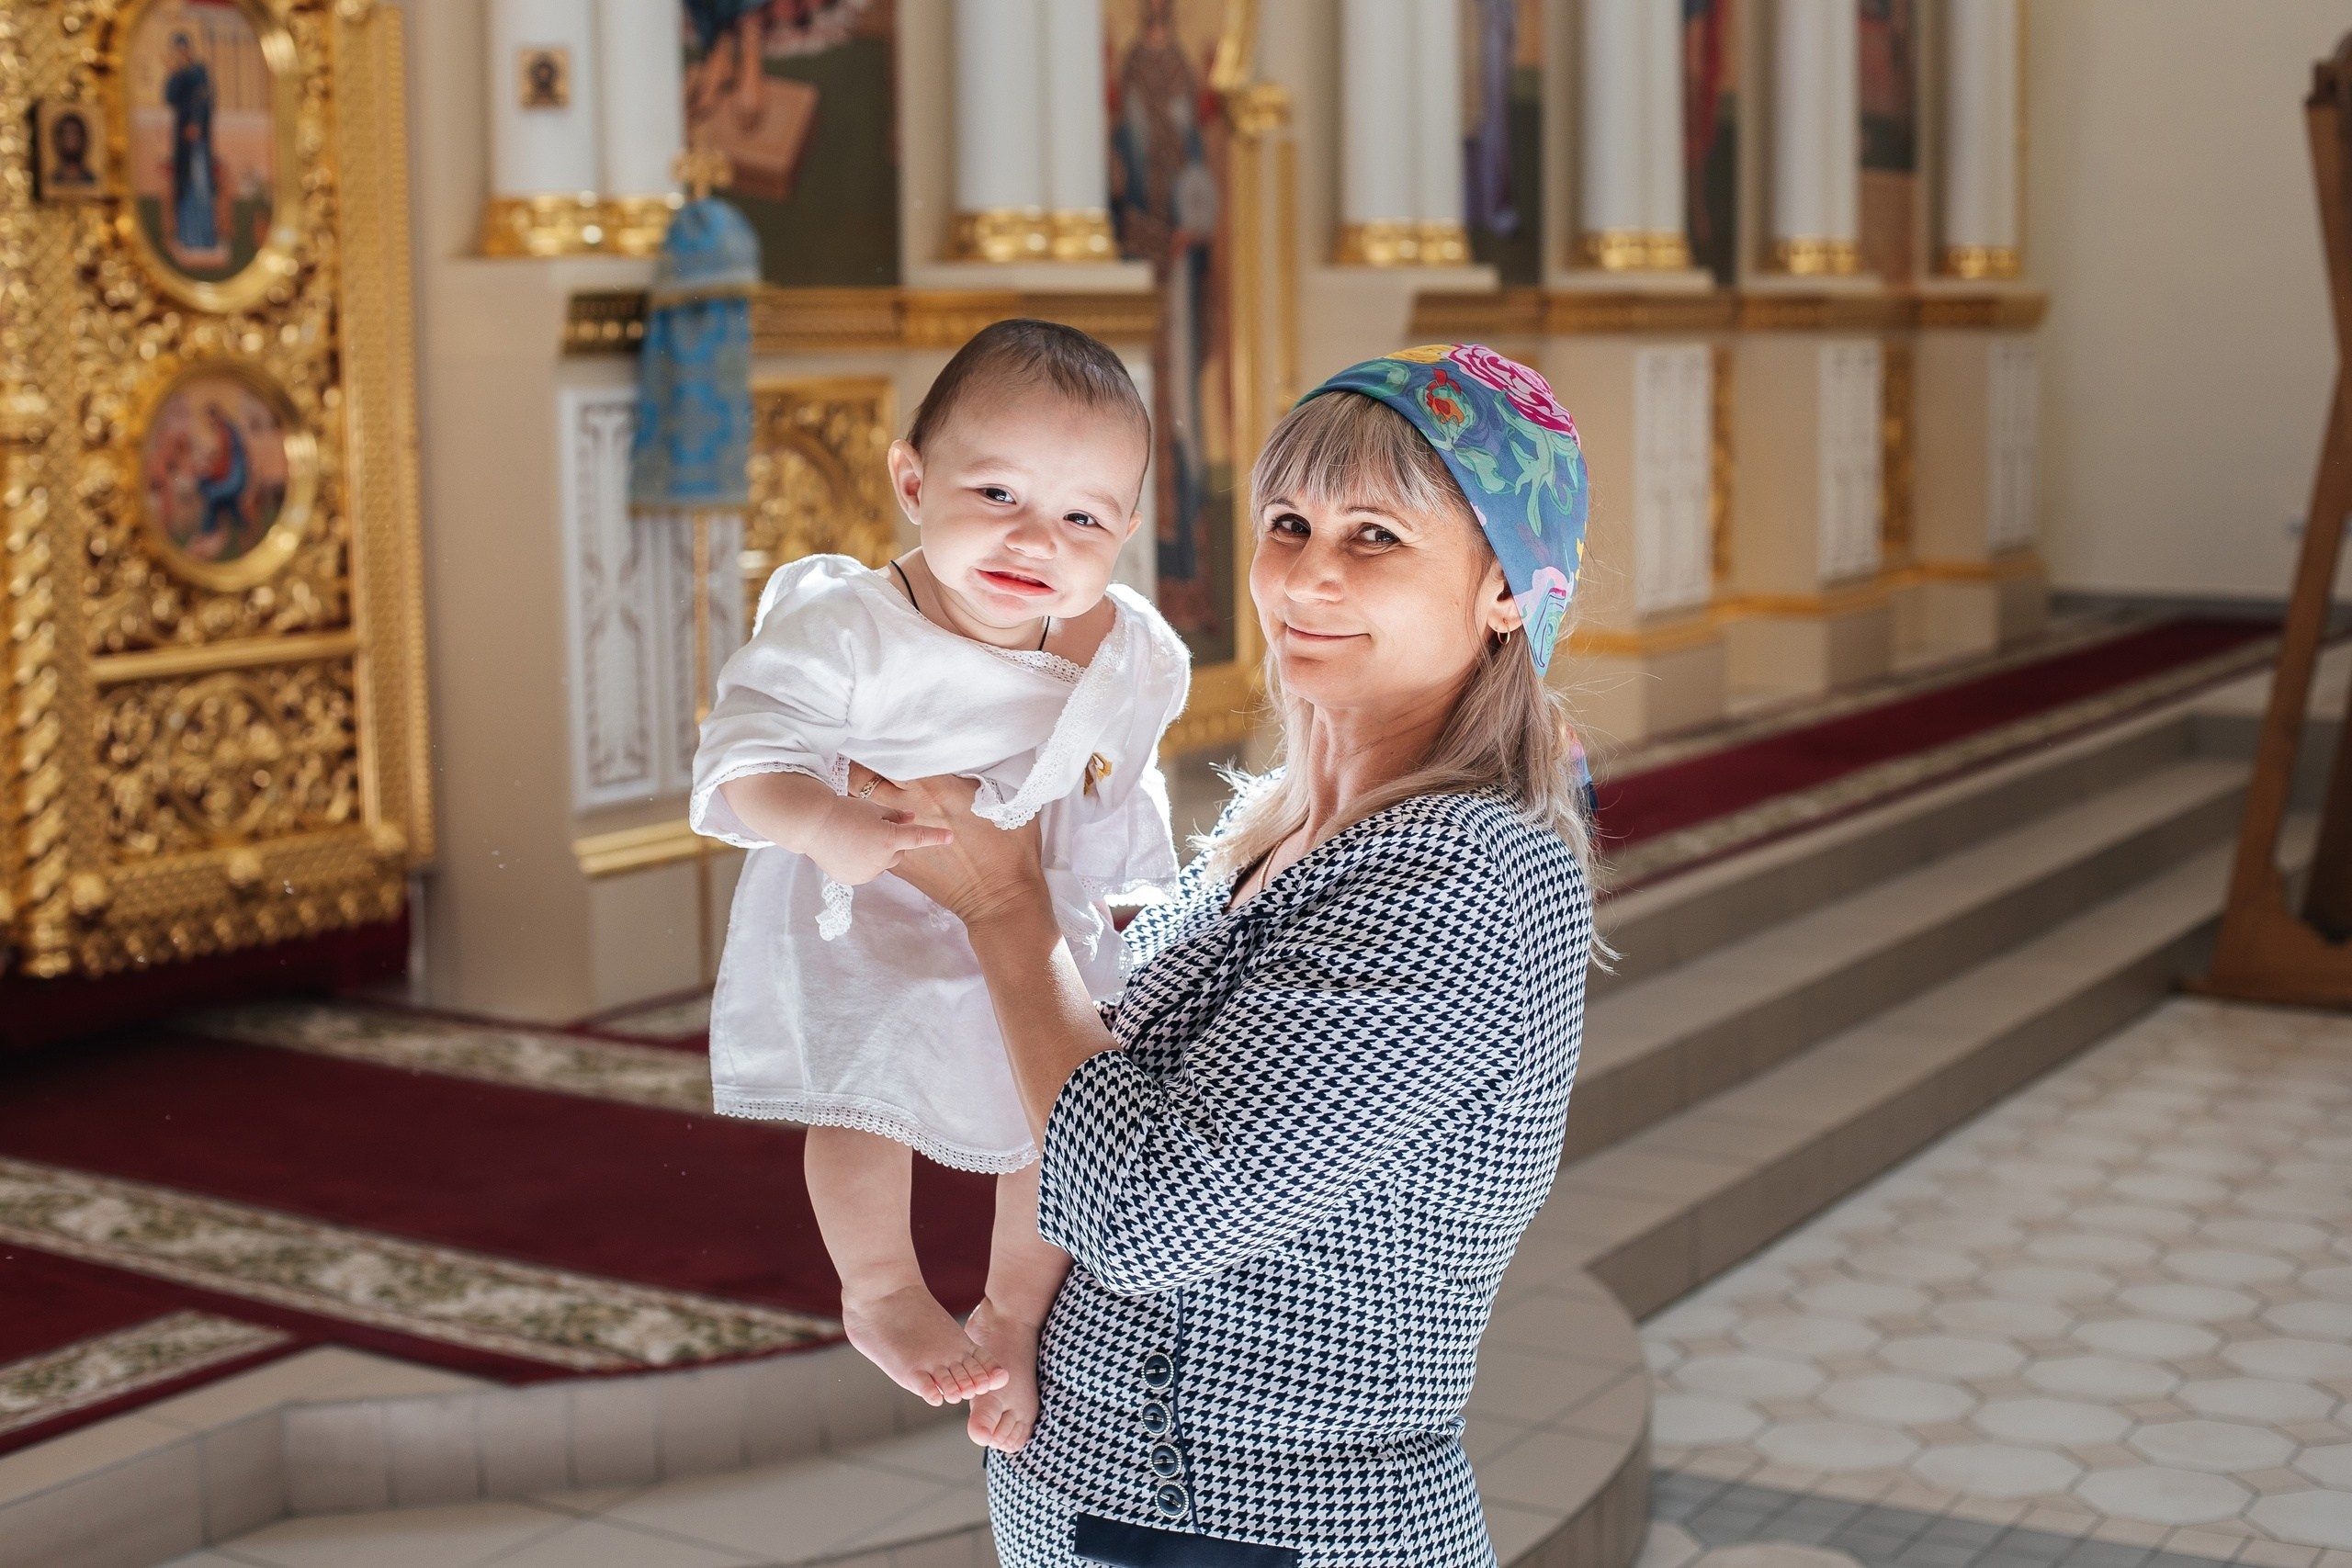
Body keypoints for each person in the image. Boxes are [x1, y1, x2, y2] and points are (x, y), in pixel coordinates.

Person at [881, 343, 1602, 1564]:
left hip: (1265, 1529)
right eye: (1289, 522)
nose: (1310, 574)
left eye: (1376, 534)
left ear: (1501, 587)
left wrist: (1007, 907)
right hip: (1125, 1516)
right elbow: (1095, 1065)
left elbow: (1151, 1208)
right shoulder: (1276, 824)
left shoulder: (1467, 874)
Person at [690, 320, 1192, 1452]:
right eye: (997, 492)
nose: (1034, 539)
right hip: (866, 903)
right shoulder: (848, 630)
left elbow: (1119, 768)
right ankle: (877, 1287)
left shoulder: (1124, 647)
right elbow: (743, 755)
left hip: (1029, 903)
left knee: (1049, 1118)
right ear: (912, 481)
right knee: (866, 1099)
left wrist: (1118, 889)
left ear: (1124, 530)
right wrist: (825, 821)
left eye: (1081, 517)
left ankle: (1013, 1307)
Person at [164, 32, 218, 257]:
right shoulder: (178, 74)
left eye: (184, 48)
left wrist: (196, 122)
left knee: (201, 186)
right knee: (184, 184)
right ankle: (186, 238)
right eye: (178, 49)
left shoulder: (199, 71)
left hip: (199, 141)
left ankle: (205, 238)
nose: (181, 53)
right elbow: (169, 98)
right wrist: (175, 72)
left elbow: (206, 99)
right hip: (182, 142)